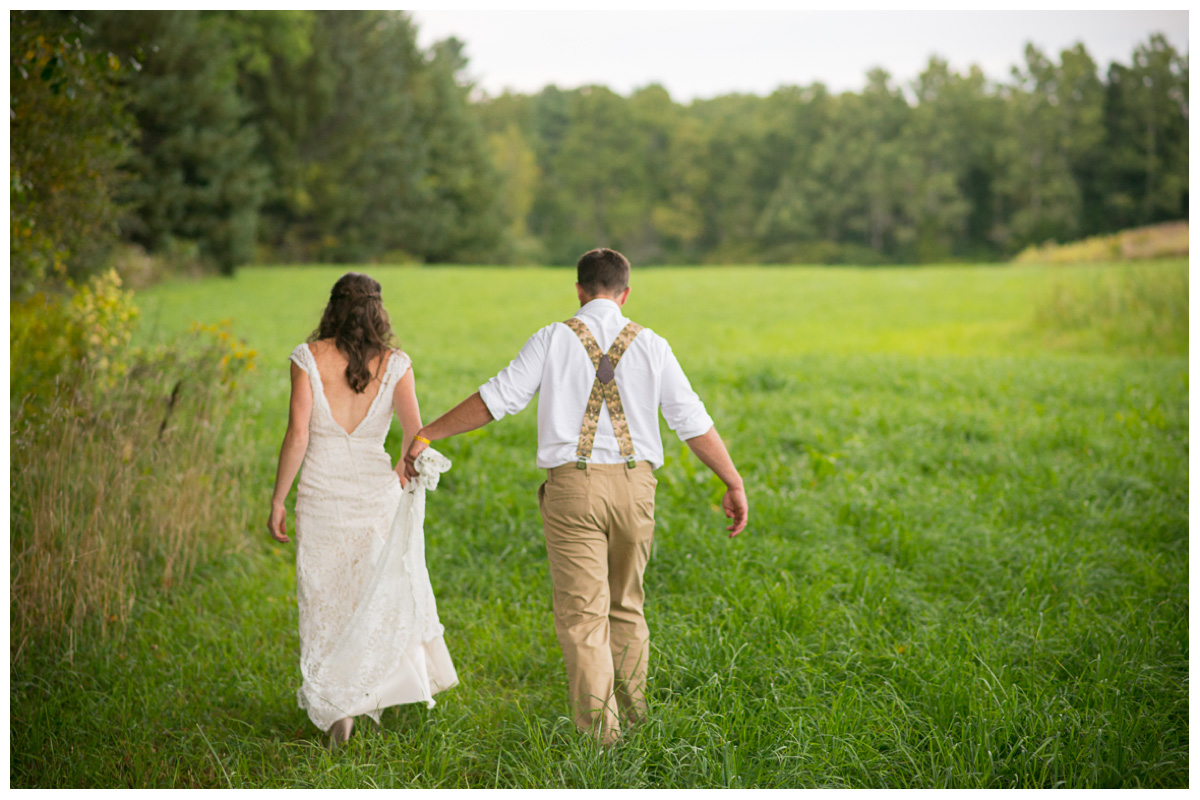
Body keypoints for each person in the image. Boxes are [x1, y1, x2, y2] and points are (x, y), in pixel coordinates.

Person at [404, 248, 748, 745]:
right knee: (627, 606)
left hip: (573, 488)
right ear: (625, 293)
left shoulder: (552, 338)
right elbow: (692, 421)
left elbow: (496, 399)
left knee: (585, 617)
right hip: (636, 487)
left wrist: (429, 433)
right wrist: (732, 481)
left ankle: (601, 743)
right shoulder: (652, 344)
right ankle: (635, 722)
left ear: (580, 290)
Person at [268, 272, 457, 748]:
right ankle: (360, 696)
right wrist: (400, 465)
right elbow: (416, 437)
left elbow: (298, 435)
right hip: (376, 497)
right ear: (378, 311)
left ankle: (340, 709)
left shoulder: (307, 359)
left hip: (321, 495)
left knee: (324, 597)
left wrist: (277, 499)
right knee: (368, 594)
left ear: (332, 308)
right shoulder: (396, 364)